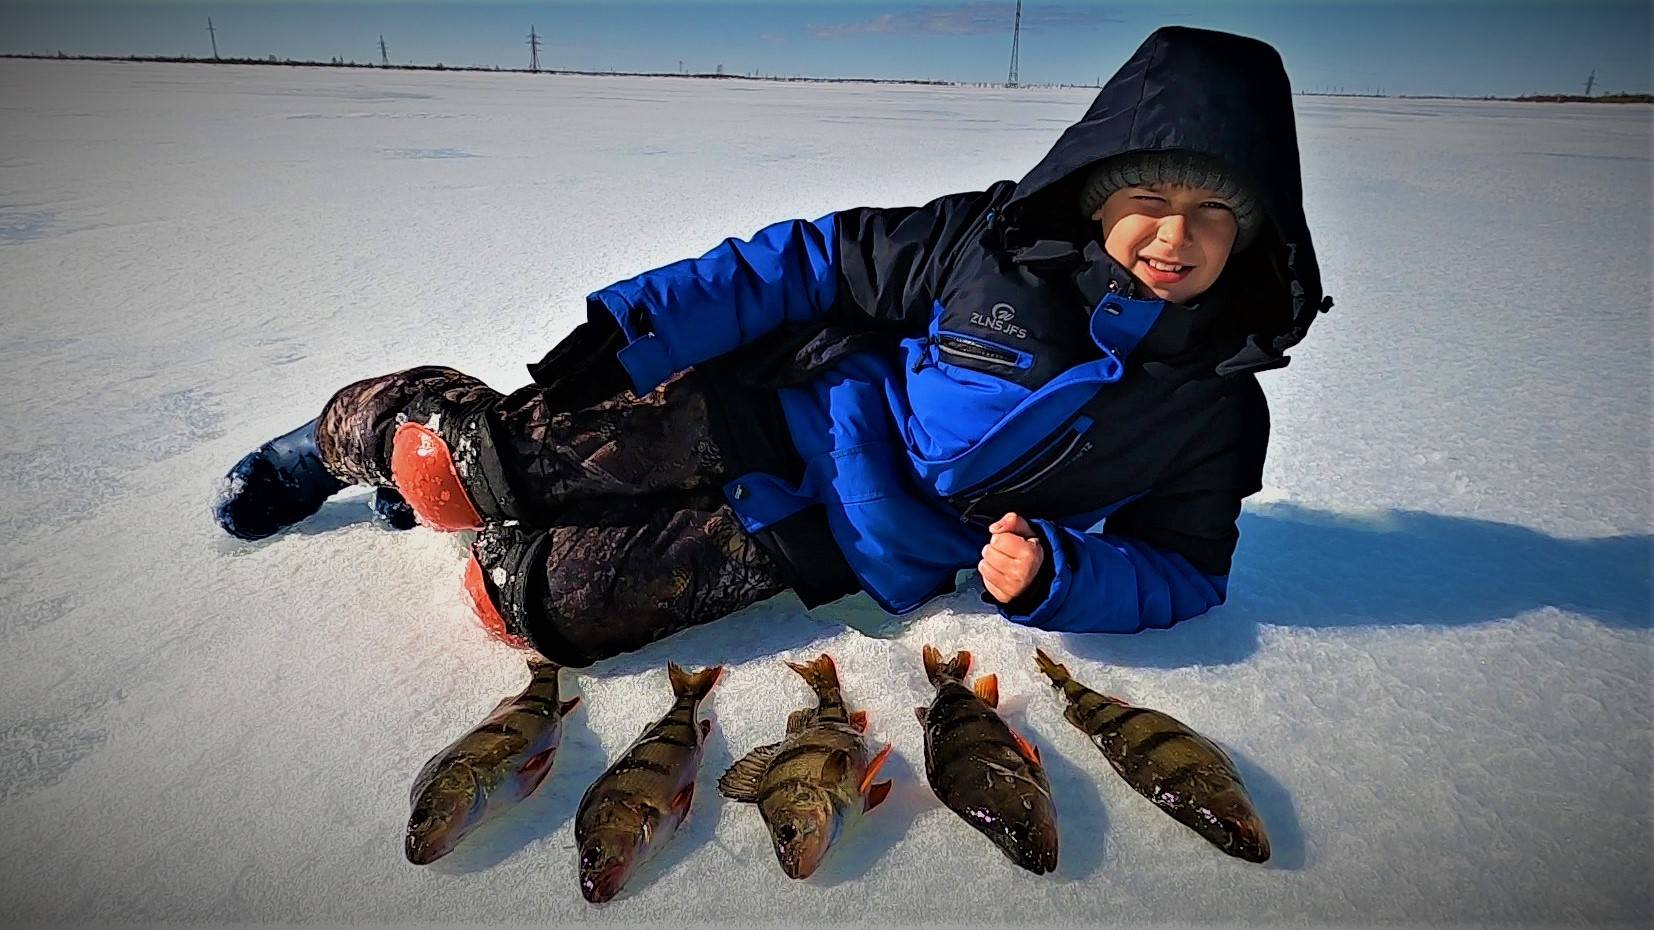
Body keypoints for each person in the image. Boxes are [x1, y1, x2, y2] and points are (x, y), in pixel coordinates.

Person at [214, 26, 1332, 667]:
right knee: (458, 465)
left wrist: (1065, 575)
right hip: (770, 407)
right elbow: (808, 261)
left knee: (532, 610)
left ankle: (490, 510)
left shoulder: (1216, 409)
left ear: (1255, 232)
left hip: (841, 540)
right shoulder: (986, 244)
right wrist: (639, 327)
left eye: (1213, 213)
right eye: (1150, 198)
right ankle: (335, 446)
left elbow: (1187, 571)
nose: (1174, 236)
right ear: (1096, 190)